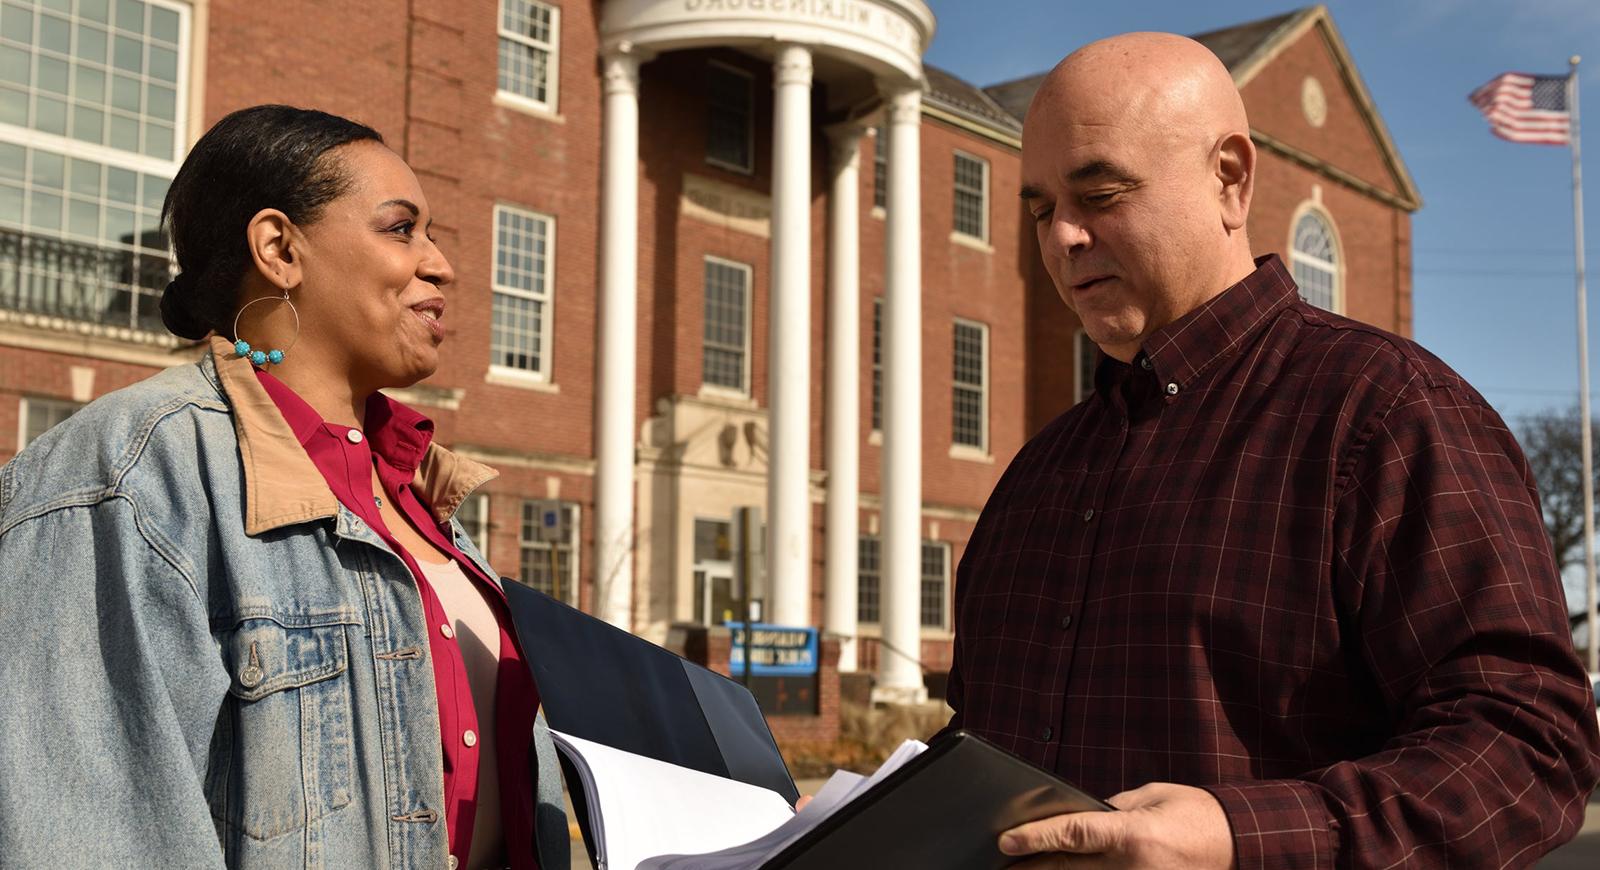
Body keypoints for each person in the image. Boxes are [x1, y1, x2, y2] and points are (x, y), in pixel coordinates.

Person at [940, 33, 1600, 868]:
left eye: (1100, 193)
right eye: (1040, 209)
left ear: (1230, 178)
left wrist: (1234, 839)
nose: (1063, 237)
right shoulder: (1037, 474)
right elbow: (983, 743)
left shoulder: (1388, 417)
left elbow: (1527, 750)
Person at [0, 105, 569, 869]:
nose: (441, 265)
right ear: (279, 247)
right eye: (401, 228)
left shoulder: (424, 497)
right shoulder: (129, 476)